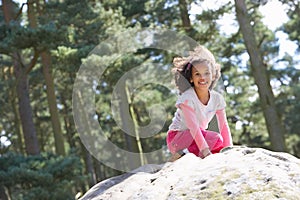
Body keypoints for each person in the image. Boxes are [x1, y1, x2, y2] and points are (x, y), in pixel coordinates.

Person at [166, 45, 233, 161]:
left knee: (219, 145)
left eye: (206, 73)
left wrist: (229, 150)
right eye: (197, 74)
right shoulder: (187, 98)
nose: (202, 77)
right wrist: (206, 152)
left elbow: (223, 126)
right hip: (177, 139)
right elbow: (194, 128)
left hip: (197, 138)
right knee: (216, 139)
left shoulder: (217, 99)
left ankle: (192, 155)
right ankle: (182, 154)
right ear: (191, 78)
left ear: (213, 76)